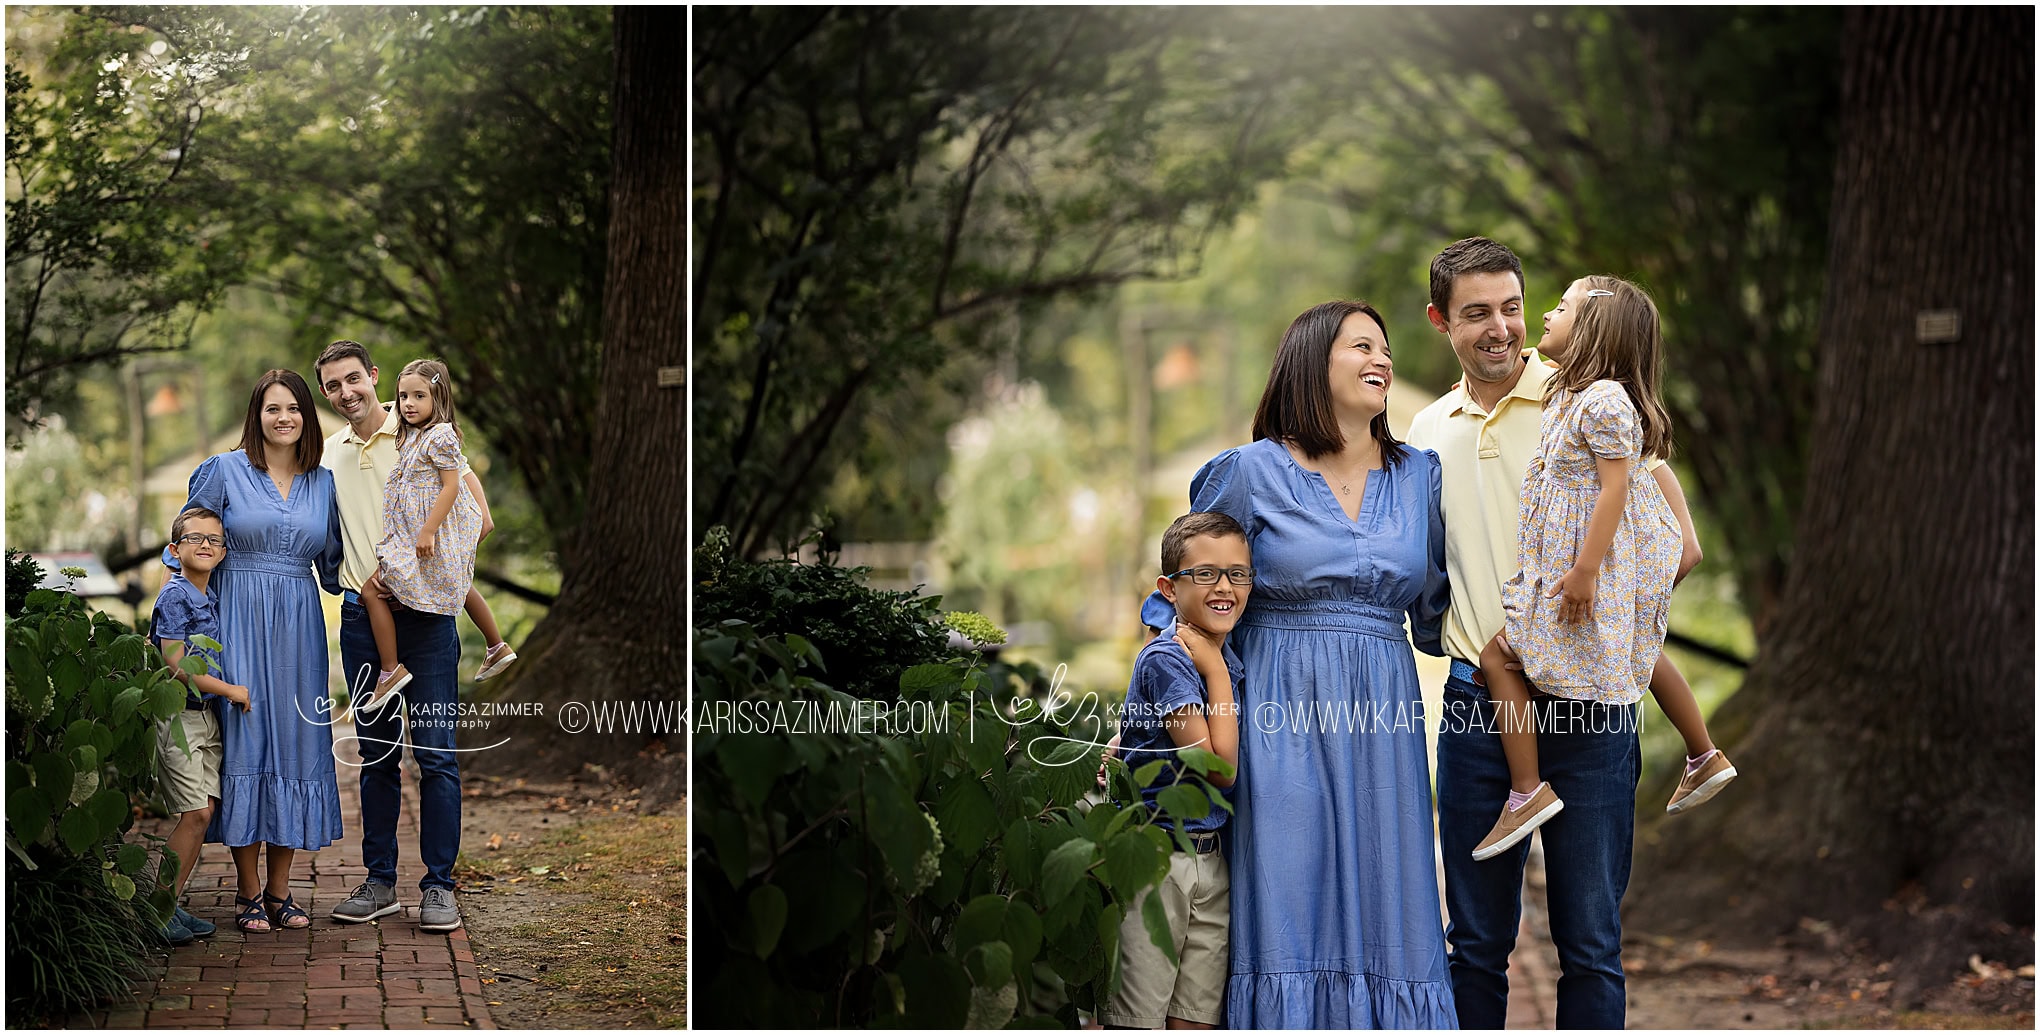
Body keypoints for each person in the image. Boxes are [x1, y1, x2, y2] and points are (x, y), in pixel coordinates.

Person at [1407, 237, 1707, 1028]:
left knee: (1590, 942)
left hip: (1591, 708)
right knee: (1473, 943)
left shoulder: (1587, 396)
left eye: (1512, 306)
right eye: (1477, 314)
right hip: (1481, 708)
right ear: (1442, 321)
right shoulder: (1425, 431)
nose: (1502, 327)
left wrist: (1606, 608)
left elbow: (1668, 533)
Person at [1146, 300, 1455, 1027]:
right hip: (1277, 714)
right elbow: (1179, 601)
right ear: (1313, 362)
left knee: (1393, 902)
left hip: (1383, 719)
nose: (1382, 359)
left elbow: (1443, 613)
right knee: (1289, 898)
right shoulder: (1249, 473)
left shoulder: (1420, 478)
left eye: (1386, 348)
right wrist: (1151, 717)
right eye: (1362, 347)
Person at [1470, 276, 1737, 861]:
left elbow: (1618, 486)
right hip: (1575, 570)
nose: (1545, 314)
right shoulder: (1572, 395)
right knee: (1637, 648)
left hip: (1582, 573)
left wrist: (1588, 572)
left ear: (1594, 328)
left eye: (1560, 308)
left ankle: (1527, 792)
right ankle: (1703, 755)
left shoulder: (1604, 400)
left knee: (1499, 654)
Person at [171, 369, 346, 934]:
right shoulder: (223, 471)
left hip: (299, 625)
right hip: (237, 619)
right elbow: (189, 545)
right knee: (248, 740)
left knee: (295, 742)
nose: (284, 418)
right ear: (257, 415)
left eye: (293, 408)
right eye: (272, 409)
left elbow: (339, 563)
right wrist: (187, 619)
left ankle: (280, 892)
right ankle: (248, 894)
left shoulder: (323, 481)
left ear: (307, 416)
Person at [314, 342, 468, 933]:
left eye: (354, 379)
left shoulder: (423, 436)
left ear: (374, 377)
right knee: (376, 758)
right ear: (326, 393)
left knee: (436, 758)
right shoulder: (327, 458)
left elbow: (476, 512)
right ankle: (380, 882)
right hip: (362, 622)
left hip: (427, 621)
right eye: (333, 385)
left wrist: (432, 560)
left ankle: (438, 886)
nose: (346, 392)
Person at [1101, 512, 1248, 1030]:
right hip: (1159, 858)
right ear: (1169, 588)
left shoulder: (1227, 655)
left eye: (1238, 573)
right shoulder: (1172, 659)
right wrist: (1214, 673)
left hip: (1210, 859)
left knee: (1197, 1016)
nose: (1225, 586)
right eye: (1205, 573)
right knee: (1139, 1016)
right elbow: (1218, 769)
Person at [352, 359, 504, 715]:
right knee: (458, 585)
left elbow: (451, 486)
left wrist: (429, 530)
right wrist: (392, 405)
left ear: (439, 396)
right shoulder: (415, 433)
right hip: (415, 536)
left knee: (372, 591)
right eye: (403, 396)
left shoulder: (441, 435)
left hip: (426, 536)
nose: (408, 403)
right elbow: (394, 410)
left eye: (419, 396)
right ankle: (496, 646)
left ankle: (390, 670)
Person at [148, 507, 252, 942]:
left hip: (203, 718)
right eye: (194, 538)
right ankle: (156, 913)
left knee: (203, 813)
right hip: (179, 718)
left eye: (215, 539)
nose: (206, 545)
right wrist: (230, 689)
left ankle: (170, 904)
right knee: (195, 814)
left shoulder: (207, 595)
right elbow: (174, 662)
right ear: (174, 550)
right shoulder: (174, 595)